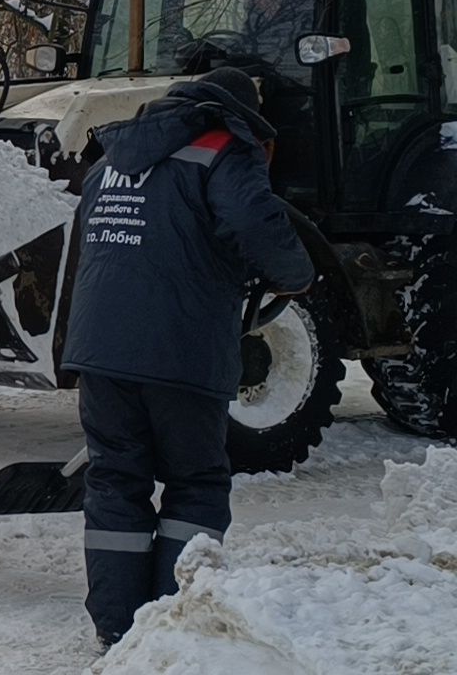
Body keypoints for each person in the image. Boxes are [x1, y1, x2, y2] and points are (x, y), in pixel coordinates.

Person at [63, 67, 314, 648]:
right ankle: (172, 622)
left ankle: (116, 628)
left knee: (115, 482)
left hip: (100, 352)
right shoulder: (224, 147)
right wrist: (298, 275)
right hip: (181, 350)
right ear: (236, 114)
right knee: (195, 481)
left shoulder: (110, 160)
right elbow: (254, 222)